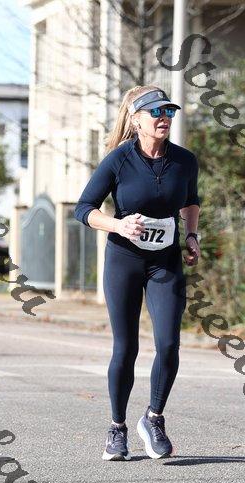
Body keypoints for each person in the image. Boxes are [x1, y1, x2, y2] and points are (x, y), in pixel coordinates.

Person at [74, 85, 201, 461]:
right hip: (124, 260)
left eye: (169, 112)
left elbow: (191, 201)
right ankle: (117, 429)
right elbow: (83, 208)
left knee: (169, 343)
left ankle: (154, 418)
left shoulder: (185, 161)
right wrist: (118, 225)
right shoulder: (118, 160)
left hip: (165, 262)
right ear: (136, 120)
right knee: (125, 347)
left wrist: (191, 235)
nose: (164, 118)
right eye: (156, 112)